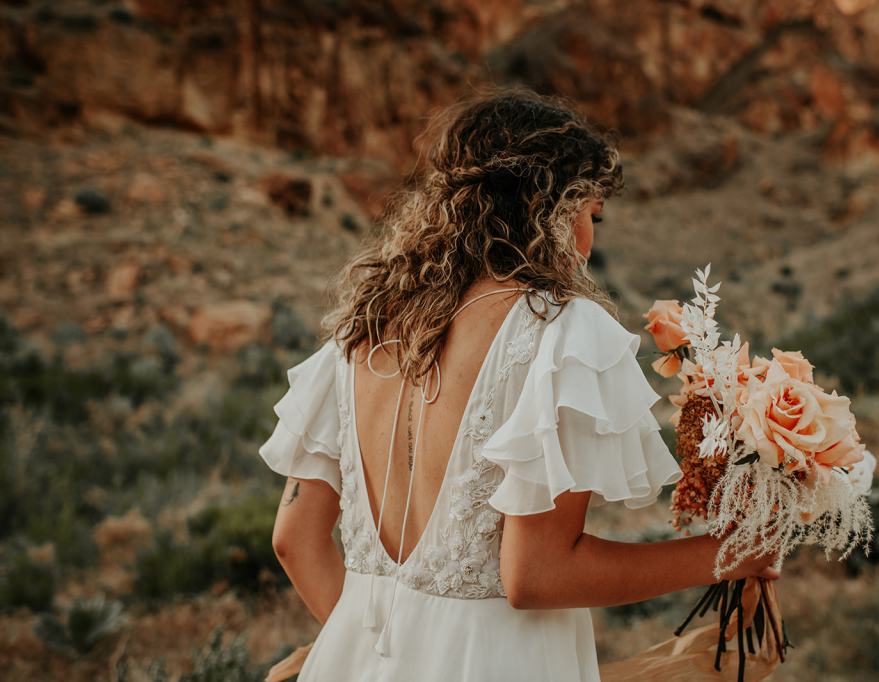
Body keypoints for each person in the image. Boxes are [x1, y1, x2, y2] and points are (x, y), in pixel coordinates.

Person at [257, 84, 780, 681]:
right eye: (592, 214)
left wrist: (388, 654)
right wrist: (729, 554)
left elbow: (294, 539)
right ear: (552, 207)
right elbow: (536, 576)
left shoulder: (361, 333)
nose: (589, 240)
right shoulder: (560, 334)